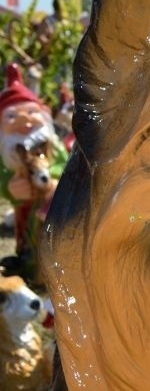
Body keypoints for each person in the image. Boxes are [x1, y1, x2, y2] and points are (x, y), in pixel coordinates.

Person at [0, 63, 68, 281]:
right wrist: (9, 188)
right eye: (12, 116)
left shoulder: (52, 145)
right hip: (24, 208)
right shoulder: (5, 153)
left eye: (31, 112)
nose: (25, 120)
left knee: (53, 237)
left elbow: (63, 164)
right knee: (27, 239)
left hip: (52, 203)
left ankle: (54, 266)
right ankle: (28, 266)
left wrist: (55, 179)